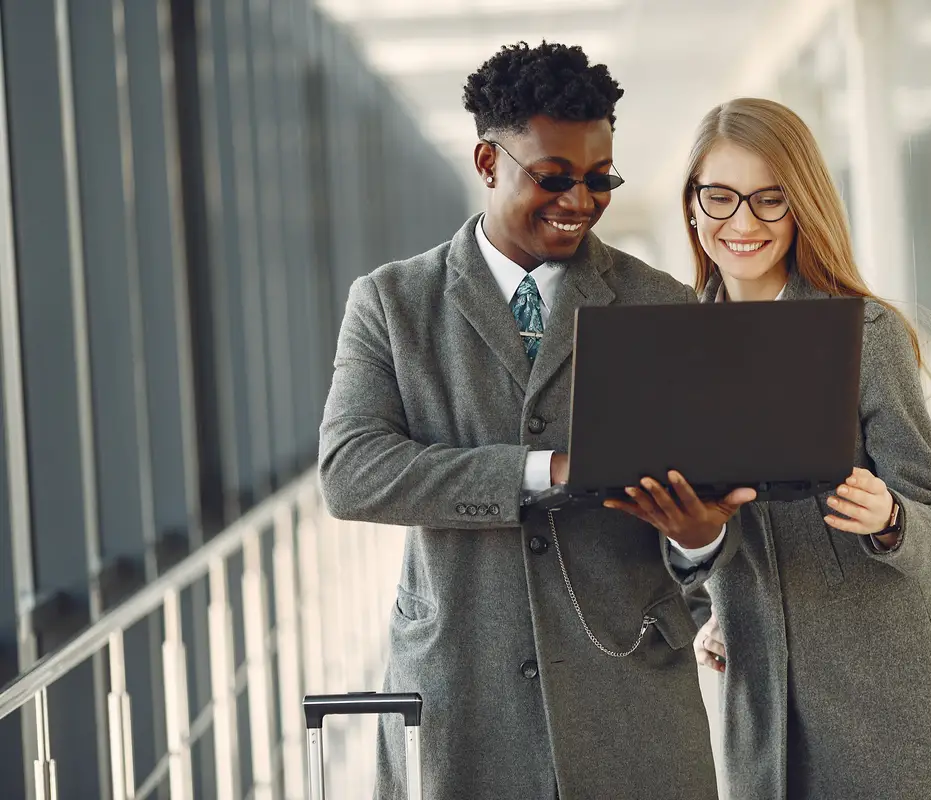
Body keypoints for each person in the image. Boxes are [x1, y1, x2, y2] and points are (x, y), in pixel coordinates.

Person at [318, 42, 753, 799]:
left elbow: (705, 513)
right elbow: (351, 471)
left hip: (628, 697)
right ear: (488, 162)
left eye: (599, 179)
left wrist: (698, 536)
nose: (579, 201)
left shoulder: (666, 308)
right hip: (465, 693)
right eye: (554, 178)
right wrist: (543, 470)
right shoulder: (392, 303)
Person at [614, 97, 931, 798]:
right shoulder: (667, 353)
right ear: (691, 204)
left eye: (769, 200)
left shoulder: (866, 336)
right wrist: (707, 595)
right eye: (720, 197)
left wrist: (890, 517)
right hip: (759, 706)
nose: (742, 223)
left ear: (801, 205)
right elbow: (666, 547)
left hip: (882, 706)